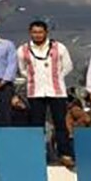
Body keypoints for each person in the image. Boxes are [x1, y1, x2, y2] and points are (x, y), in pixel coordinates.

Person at [18, 21, 74, 168]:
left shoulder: (59, 47)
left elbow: (68, 66)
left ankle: (65, 154)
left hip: (57, 91)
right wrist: (33, 78)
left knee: (60, 123)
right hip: (35, 91)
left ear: (46, 32)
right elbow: (22, 70)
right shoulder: (23, 49)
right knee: (36, 124)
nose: (37, 35)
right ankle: (36, 154)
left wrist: (56, 77)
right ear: (30, 32)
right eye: (34, 32)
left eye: (40, 32)